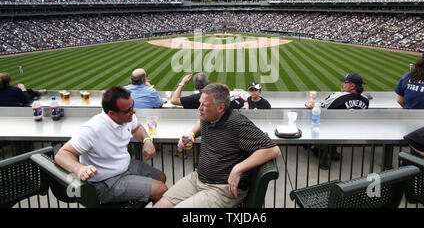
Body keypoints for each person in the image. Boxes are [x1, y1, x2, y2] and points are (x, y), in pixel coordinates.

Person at [153, 83, 281, 208]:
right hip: (198, 178)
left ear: (220, 108)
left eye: (205, 105)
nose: (199, 108)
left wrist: (238, 168)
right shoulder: (207, 116)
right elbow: (201, 120)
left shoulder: (237, 123)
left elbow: (273, 150)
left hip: (221, 188)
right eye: (200, 103)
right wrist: (191, 133)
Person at [55, 86, 168, 204]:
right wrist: (79, 169)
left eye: (132, 106)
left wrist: (147, 140)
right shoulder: (93, 129)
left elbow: (137, 128)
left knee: (161, 177)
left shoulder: (127, 117)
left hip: (125, 166)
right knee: (161, 189)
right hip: (105, 182)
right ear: (112, 114)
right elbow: (62, 154)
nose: (133, 112)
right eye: (128, 110)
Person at [304, 73, 370, 170]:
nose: (342, 84)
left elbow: (319, 107)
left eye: (345, 82)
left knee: (313, 118)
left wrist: (310, 104)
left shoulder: (339, 96)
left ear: (352, 86)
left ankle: (322, 155)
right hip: (356, 131)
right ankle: (333, 150)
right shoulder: (366, 99)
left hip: (335, 131)